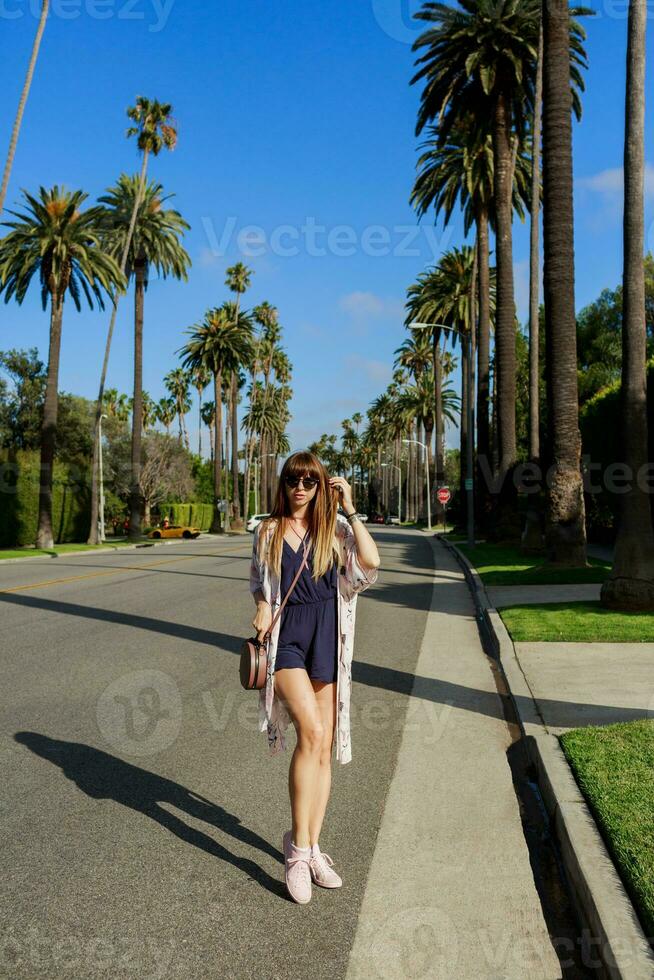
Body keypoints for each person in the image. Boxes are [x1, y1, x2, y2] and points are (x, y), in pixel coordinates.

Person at [249, 450, 380, 905]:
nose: (300, 488)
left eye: (309, 481)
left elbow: (370, 564)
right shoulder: (267, 531)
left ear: (321, 485)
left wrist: (350, 508)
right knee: (312, 732)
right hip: (287, 642)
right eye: (292, 480)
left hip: (327, 636)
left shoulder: (335, 530)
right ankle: (298, 855)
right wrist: (262, 608)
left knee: (322, 746)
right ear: (282, 485)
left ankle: (310, 844)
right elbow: (260, 586)